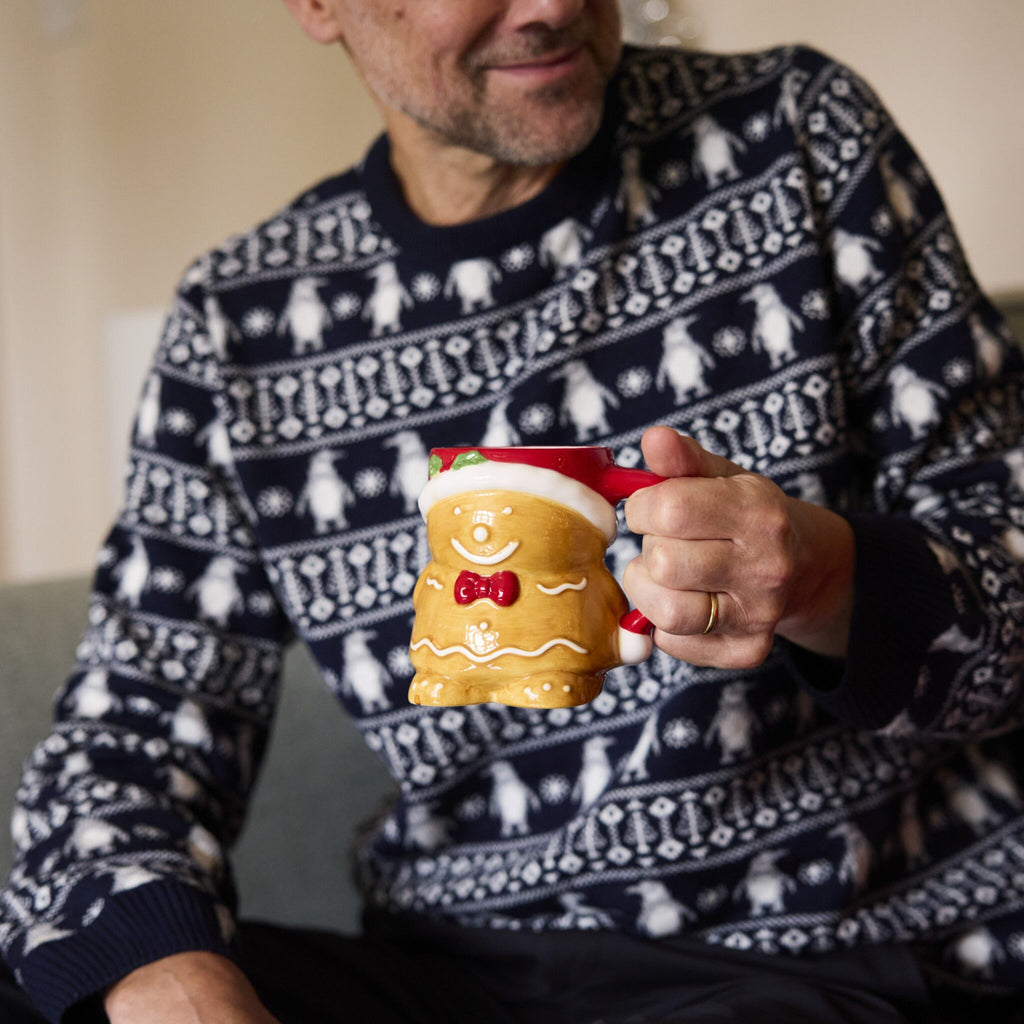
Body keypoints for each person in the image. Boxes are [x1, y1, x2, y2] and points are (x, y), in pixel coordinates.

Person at [2, 1, 1023, 1021]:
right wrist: (172, 981)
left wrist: (830, 577)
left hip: (822, 947)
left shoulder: (795, 134)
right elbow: (128, 732)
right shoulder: (243, 324)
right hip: (460, 972)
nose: (555, 5)